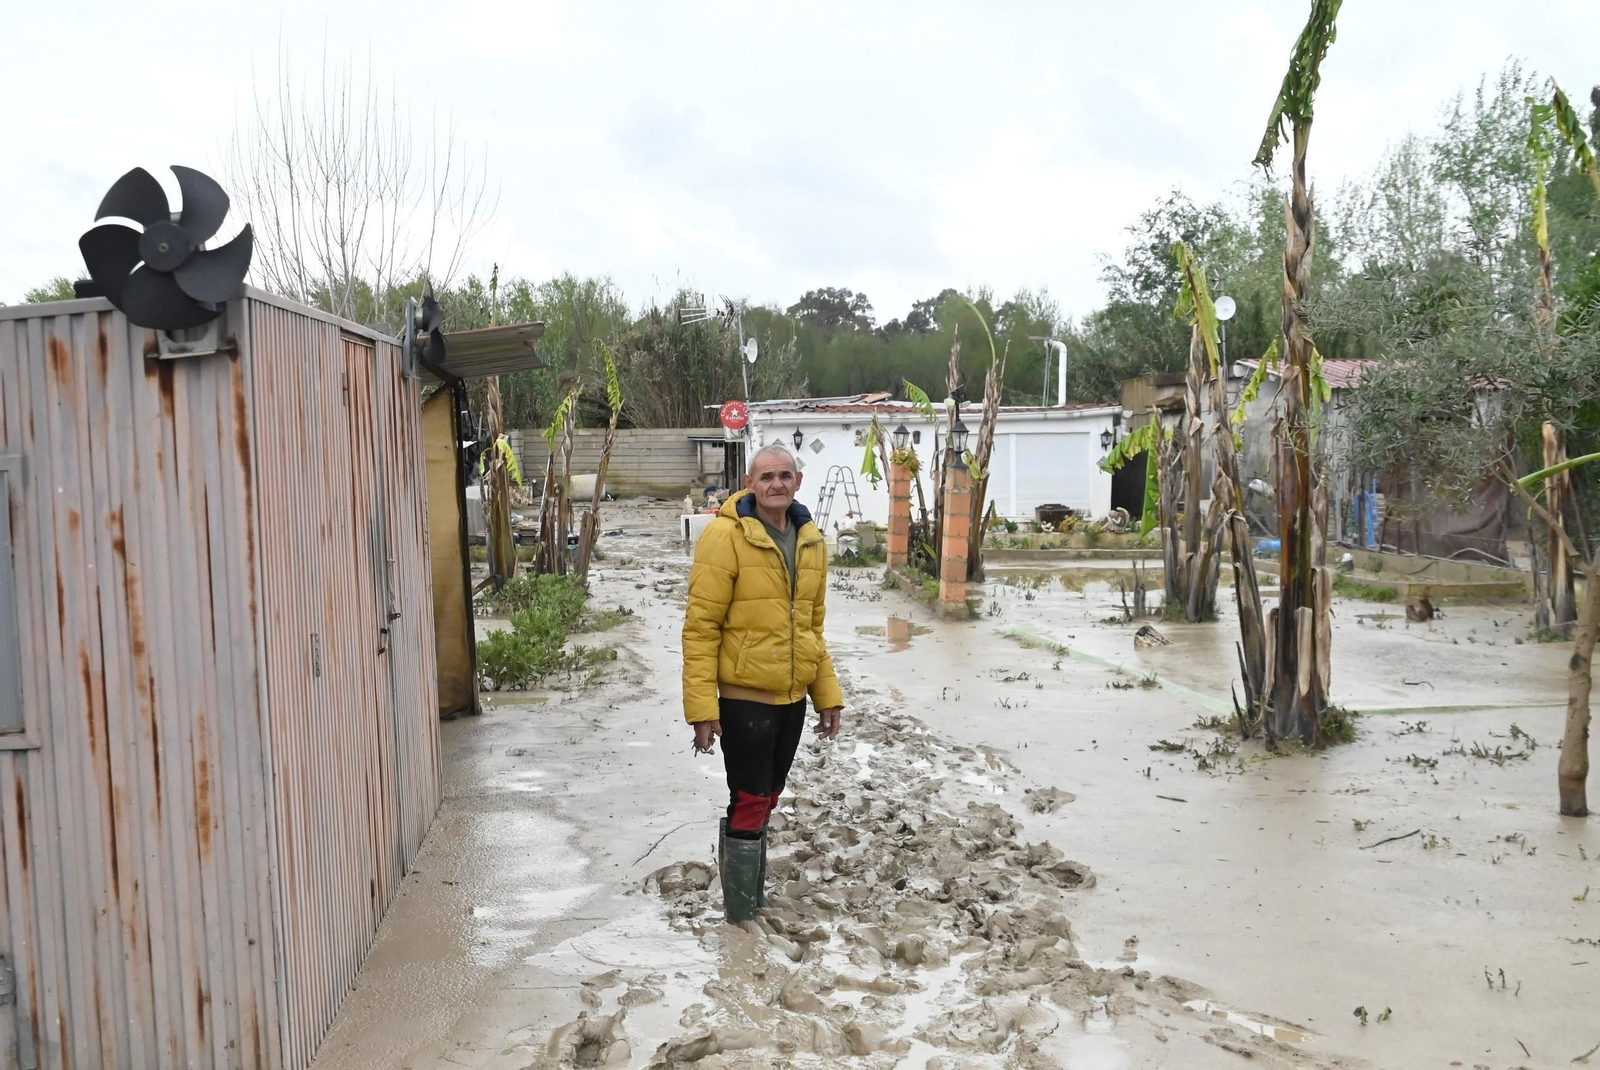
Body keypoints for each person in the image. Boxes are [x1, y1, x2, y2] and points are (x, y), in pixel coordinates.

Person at [682, 444, 844, 923]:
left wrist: (827, 696)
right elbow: (700, 627)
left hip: (791, 697)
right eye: (766, 476)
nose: (776, 484)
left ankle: (749, 897)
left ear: (797, 481)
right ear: (750, 484)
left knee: (766, 797)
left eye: (784, 475)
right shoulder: (724, 537)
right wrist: (702, 709)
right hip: (742, 698)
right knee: (751, 799)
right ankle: (740, 917)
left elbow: (812, 628)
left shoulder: (811, 539)